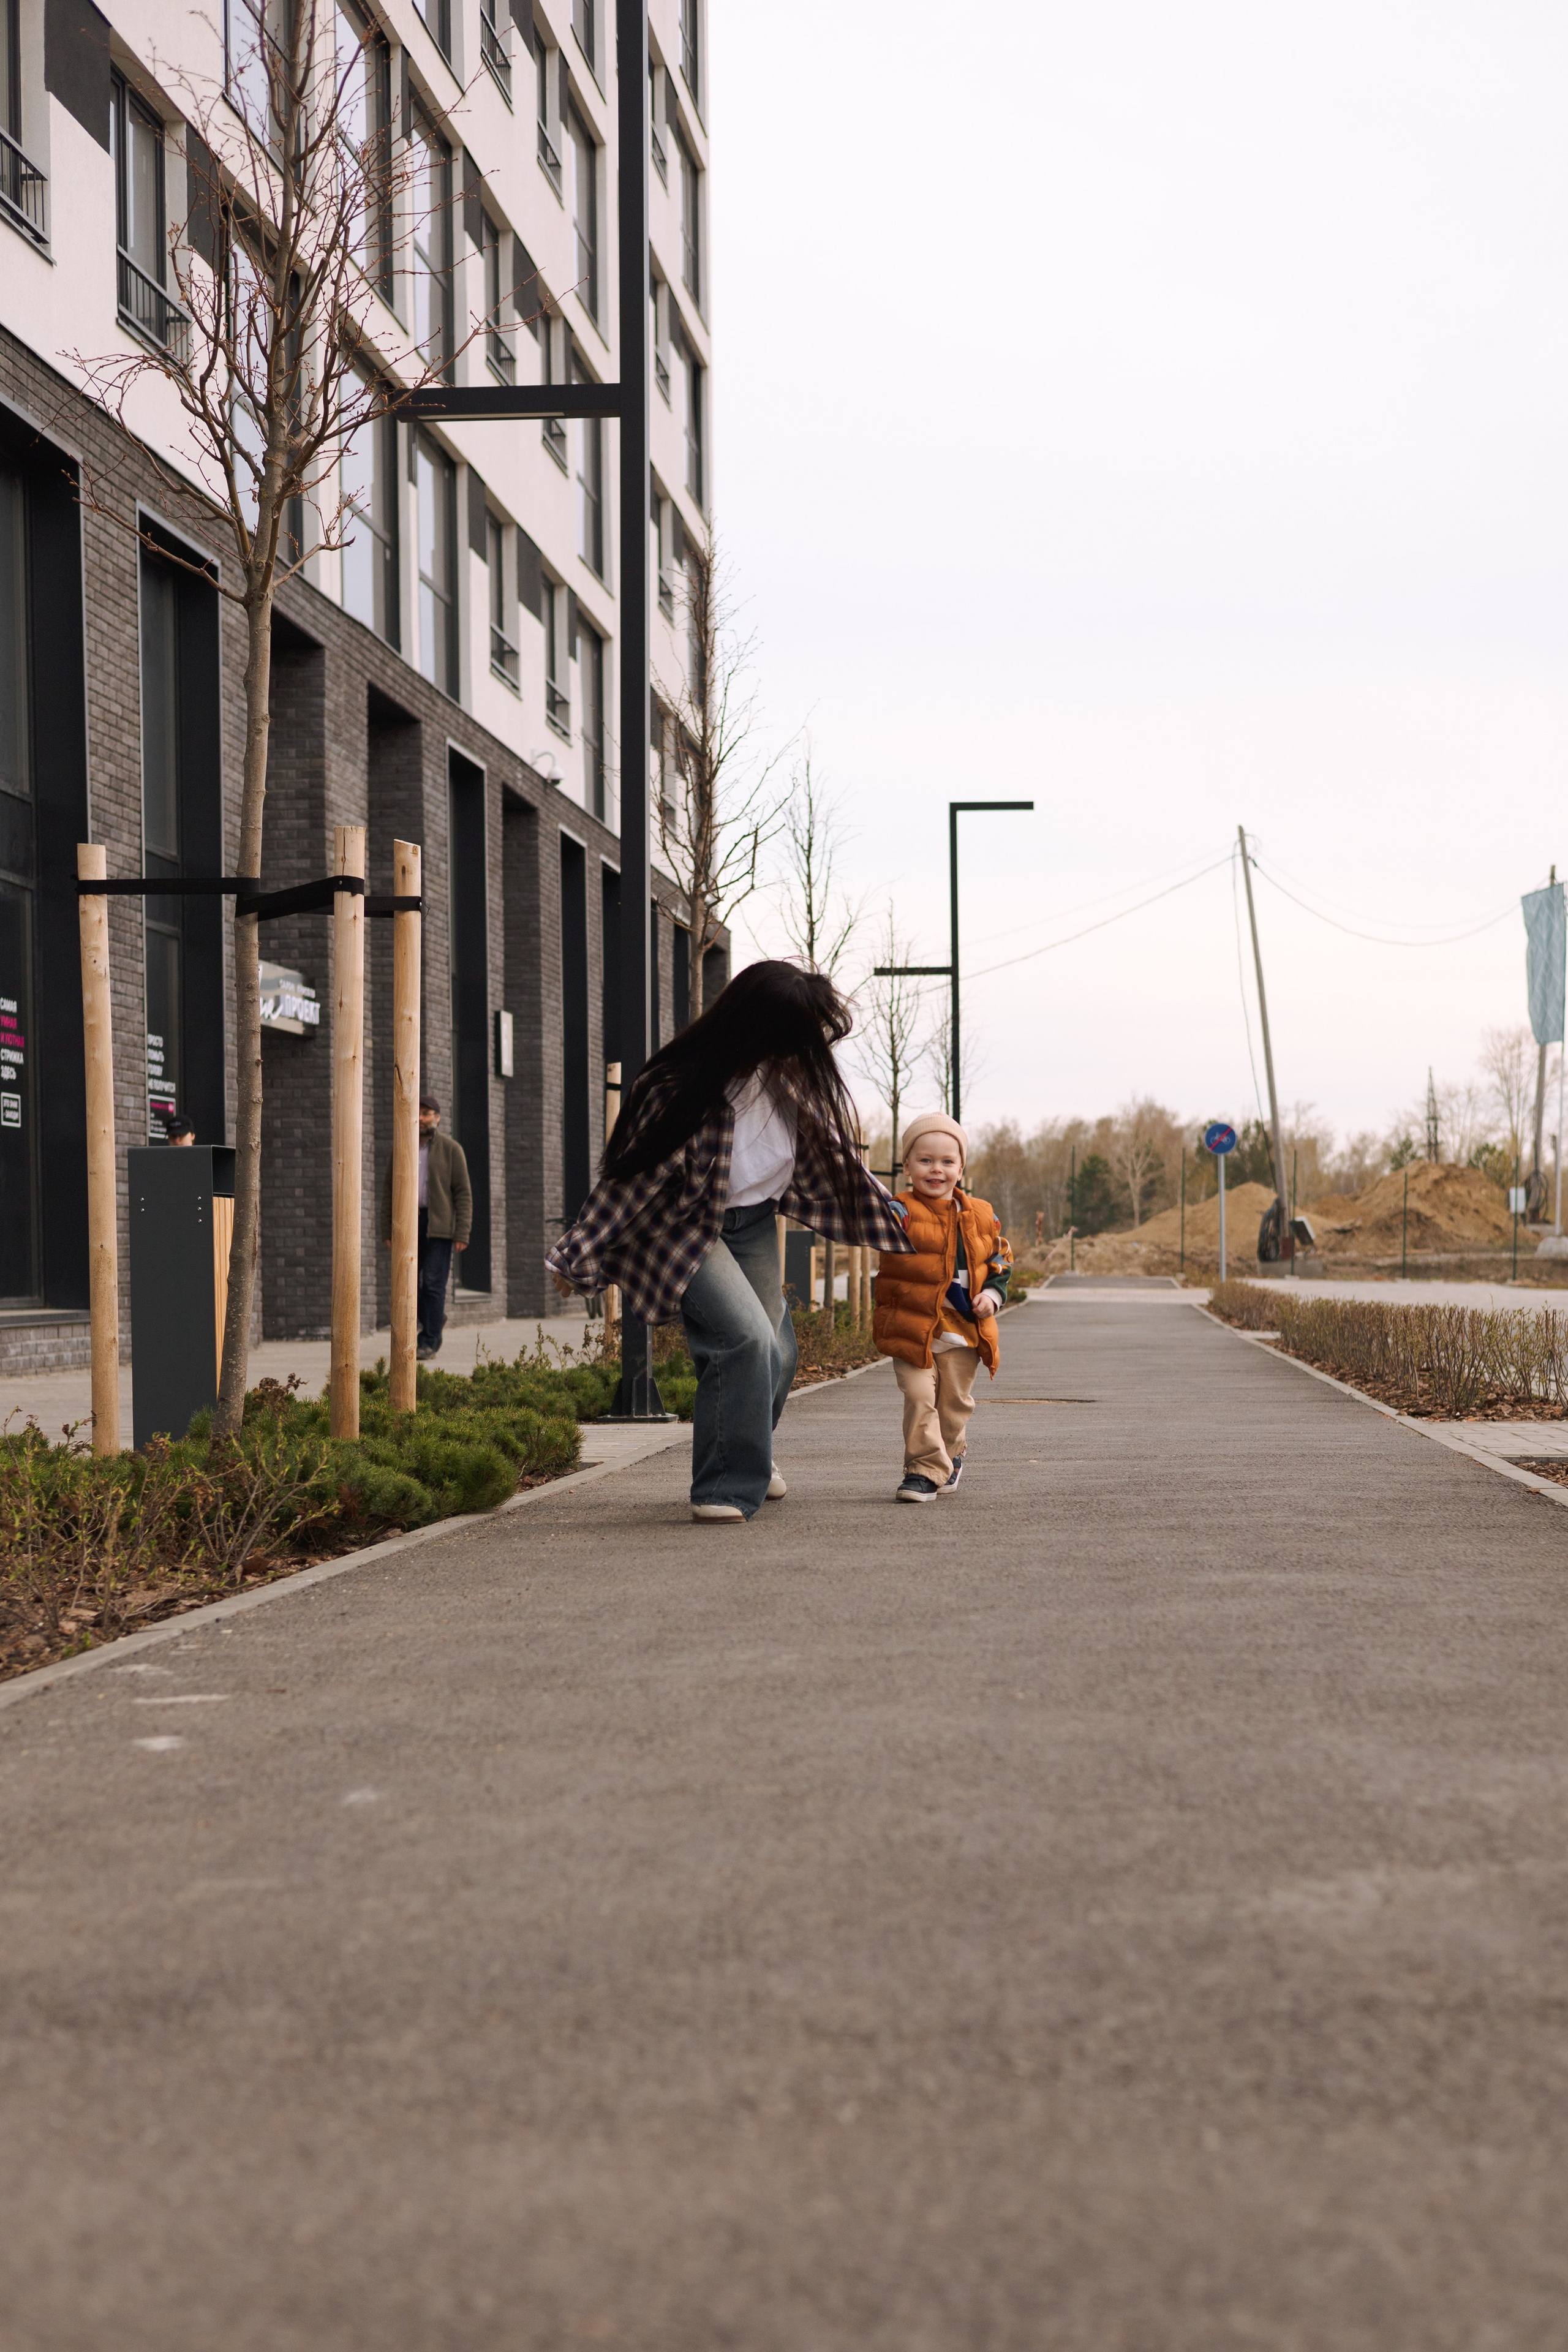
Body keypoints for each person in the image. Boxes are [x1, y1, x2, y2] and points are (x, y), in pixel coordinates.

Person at [547, 960, 911, 1523]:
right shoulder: (679, 1087)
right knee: (745, 1340)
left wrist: (884, 1202)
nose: (808, 1048)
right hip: (684, 1226)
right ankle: (723, 1484)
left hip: (755, 1222)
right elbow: (631, 1178)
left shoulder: (791, 1079)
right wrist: (577, 1253)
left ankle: (749, 1451)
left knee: (780, 1351)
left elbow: (835, 1151)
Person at [873, 1112, 1012, 1504]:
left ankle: (952, 1455)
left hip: (963, 1330)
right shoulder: (899, 1211)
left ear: (961, 1169)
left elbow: (1002, 1257)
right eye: (925, 1160)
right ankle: (923, 1470)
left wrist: (994, 1295)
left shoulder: (981, 1214)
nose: (937, 1169)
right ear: (907, 1167)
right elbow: (880, 1227)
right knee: (920, 1398)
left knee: (953, 1405)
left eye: (947, 1161)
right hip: (912, 1327)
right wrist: (887, 1215)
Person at [380, 1095, 472, 1359]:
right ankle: (435, 1317)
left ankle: (429, 1341)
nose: (420, 1118)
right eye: (418, 1113)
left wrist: (462, 1232)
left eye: (426, 1113)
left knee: (433, 1284)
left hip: (440, 1227)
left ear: (437, 1118)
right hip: (408, 1225)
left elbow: (463, 1193)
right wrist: (387, 1229)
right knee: (407, 1283)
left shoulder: (452, 1150)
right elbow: (389, 1190)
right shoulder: (402, 1148)